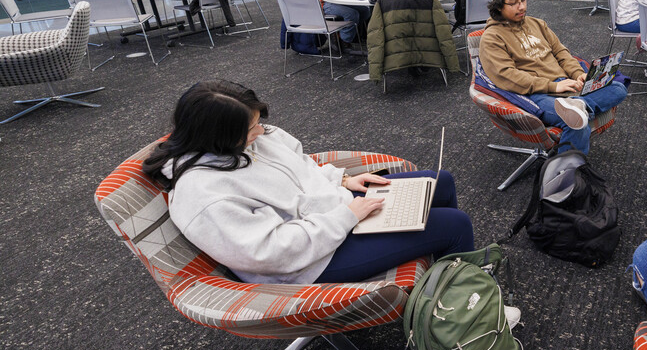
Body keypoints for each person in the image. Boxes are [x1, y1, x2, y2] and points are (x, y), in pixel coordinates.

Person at [142, 80, 476, 286]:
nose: (262, 133)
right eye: (251, 129)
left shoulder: (254, 141)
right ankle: (469, 306)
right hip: (309, 263)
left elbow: (301, 166)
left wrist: (343, 179)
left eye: (258, 123)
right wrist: (348, 216)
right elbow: (271, 252)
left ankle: (440, 278)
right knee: (454, 225)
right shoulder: (204, 196)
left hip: (336, 215)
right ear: (218, 138)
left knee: (440, 182)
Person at [478, 0, 627, 157]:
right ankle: (567, 174)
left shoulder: (537, 24)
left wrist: (578, 73)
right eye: (514, 3)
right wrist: (553, 86)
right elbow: (506, 75)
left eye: (523, 0)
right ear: (498, 6)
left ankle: (579, 105)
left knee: (618, 88)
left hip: (566, 84)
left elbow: (561, 53)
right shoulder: (492, 37)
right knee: (576, 124)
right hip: (538, 94)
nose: (522, 6)